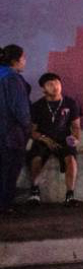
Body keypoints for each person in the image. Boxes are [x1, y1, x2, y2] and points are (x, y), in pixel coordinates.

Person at [26, 73, 83, 206]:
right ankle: (34, 193)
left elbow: (76, 127)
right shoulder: (37, 106)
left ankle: (70, 195)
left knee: (71, 160)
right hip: (43, 139)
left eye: (57, 83)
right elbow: (32, 130)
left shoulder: (70, 103)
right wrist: (43, 138)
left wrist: (75, 139)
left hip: (63, 139)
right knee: (36, 158)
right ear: (43, 89)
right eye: (50, 84)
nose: (55, 87)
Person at [0, 45, 32, 214]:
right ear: (15, 60)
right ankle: (5, 206)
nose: (25, 60)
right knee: (9, 170)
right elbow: (20, 109)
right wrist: (28, 128)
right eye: (23, 57)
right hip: (10, 134)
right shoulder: (12, 78)